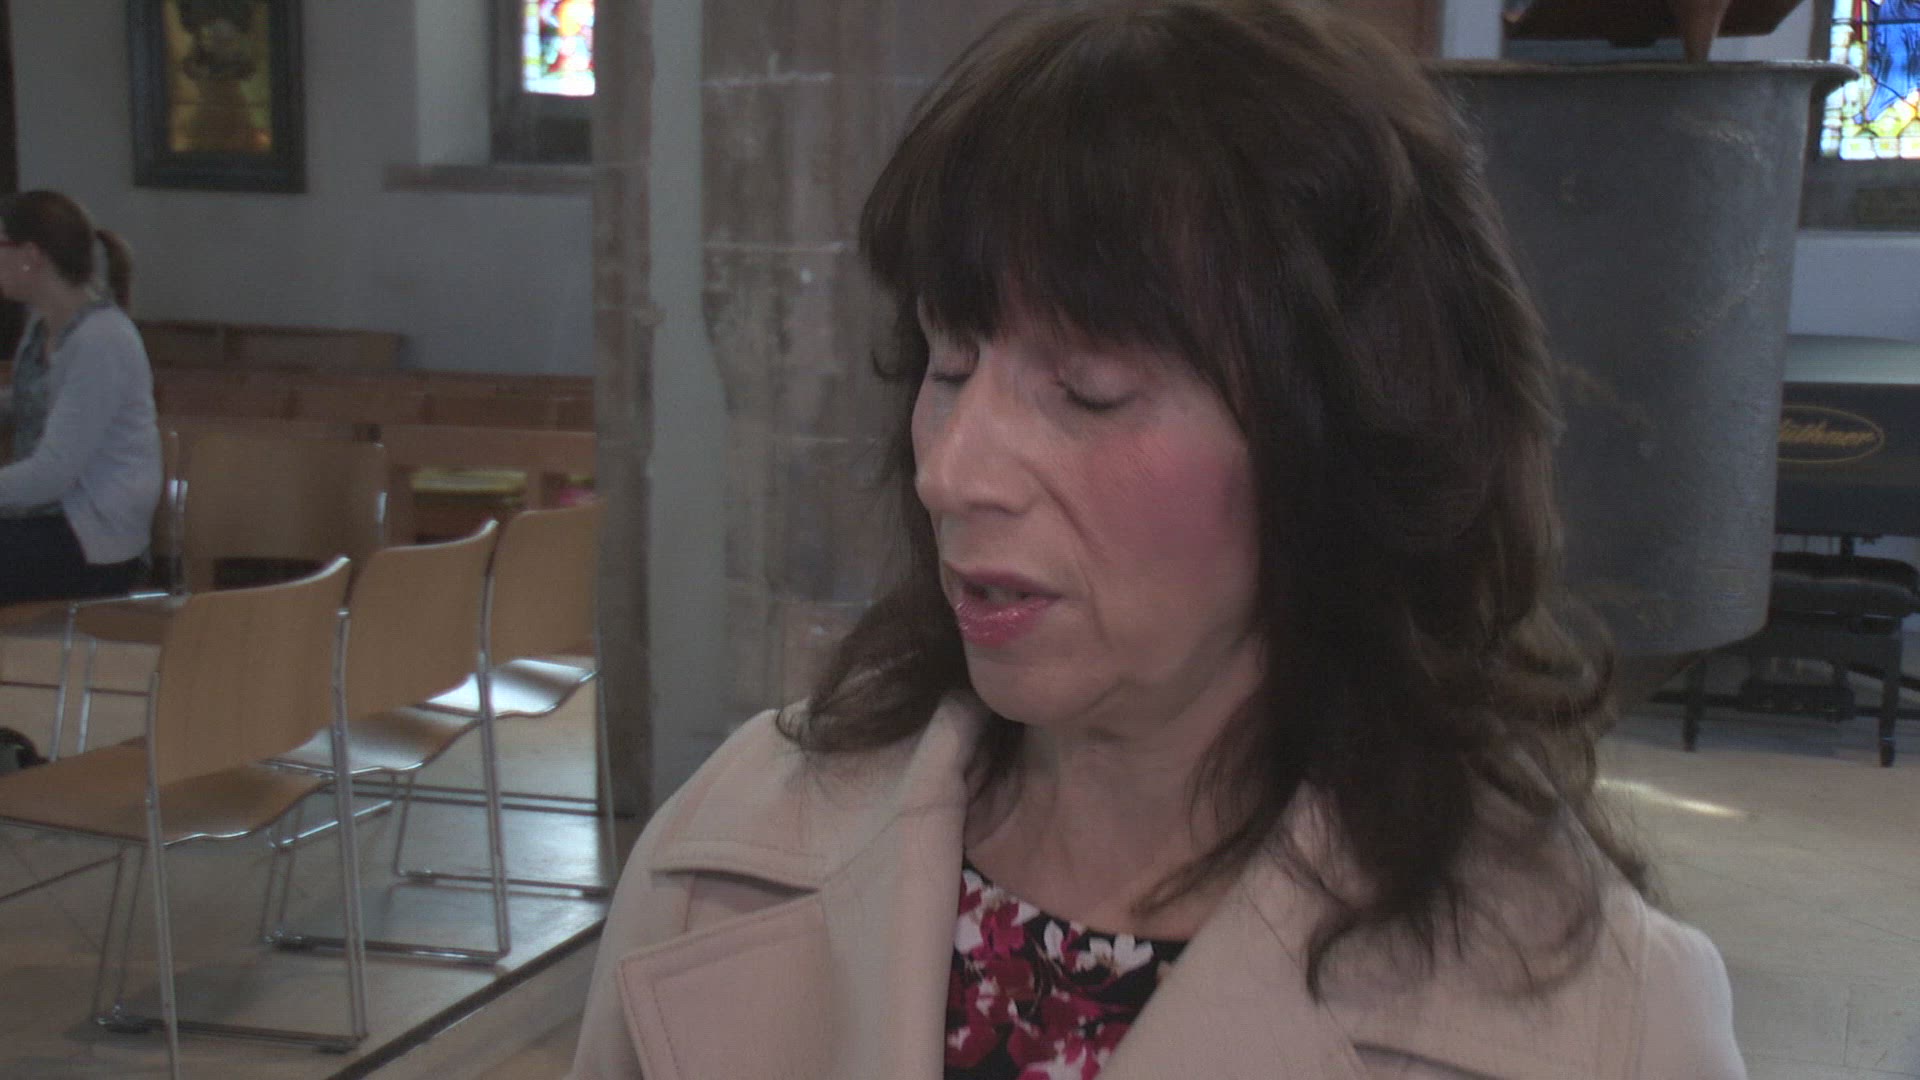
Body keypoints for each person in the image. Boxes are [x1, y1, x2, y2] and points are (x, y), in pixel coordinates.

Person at [572, 1, 1745, 1076]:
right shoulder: (727, 848)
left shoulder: (1609, 1025)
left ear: (1340, 442)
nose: (950, 473)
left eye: (1088, 390)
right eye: (950, 362)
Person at [0, 191, 161, 603]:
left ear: (30, 255)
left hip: (94, 541)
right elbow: (33, 400)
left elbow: (52, 474)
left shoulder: (101, 339)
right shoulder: (44, 325)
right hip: (47, 522)